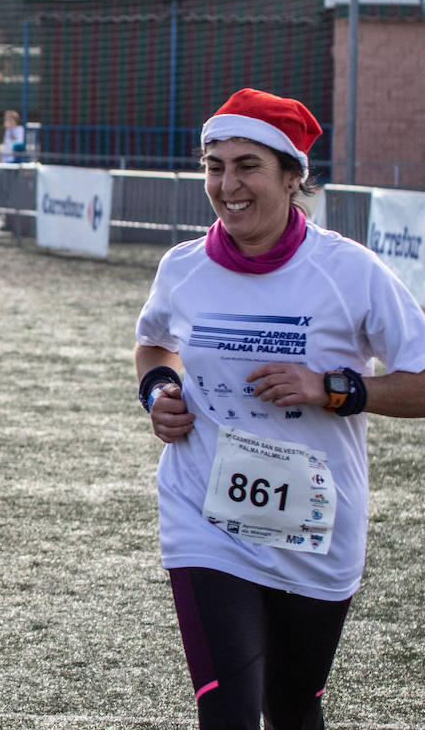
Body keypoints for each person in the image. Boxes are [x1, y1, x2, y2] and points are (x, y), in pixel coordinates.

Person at [133, 88, 425, 729]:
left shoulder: (350, 272)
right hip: (204, 518)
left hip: (317, 529)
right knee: (230, 712)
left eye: (247, 166)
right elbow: (154, 342)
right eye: (214, 165)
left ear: (294, 178)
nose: (226, 184)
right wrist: (158, 392)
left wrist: (335, 390)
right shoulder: (182, 268)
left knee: (293, 709)